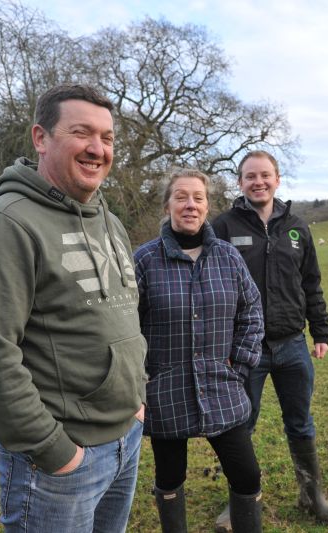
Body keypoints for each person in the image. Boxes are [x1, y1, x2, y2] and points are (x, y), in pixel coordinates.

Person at [0, 84, 148, 533]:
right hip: (60, 465)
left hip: (125, 440)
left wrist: (135, 403)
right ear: (41, 138)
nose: (98, 149)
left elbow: (122, 319)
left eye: (108, 137)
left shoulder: (110, 220)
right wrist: (56, 451)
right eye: (82, 133)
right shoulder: (6, 225)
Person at [211, 151, 328, 529]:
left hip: (292, 346)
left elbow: (311, 284)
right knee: (241, 427)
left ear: (277, 179)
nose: (258, 182)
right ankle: (238, 502)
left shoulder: (297, 228)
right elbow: (211, 288)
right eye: (250, 176)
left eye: (265, 175)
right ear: (239, 182)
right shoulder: (222, 227)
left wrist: (321, 331)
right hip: (244, 349)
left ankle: (311, 496)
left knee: (300, 424)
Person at [134, 169, 265, 533]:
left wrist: (239, 365)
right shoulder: (144, 260)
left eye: (198, 198)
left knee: (246, 474)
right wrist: (141, 379)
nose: (190, 205)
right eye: (181, 197)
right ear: (167, 205)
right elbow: (125, 327)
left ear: (207, 206)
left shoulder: (227, 257)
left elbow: (252, 312)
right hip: (166, 391)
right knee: (170, 476)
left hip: (223, 385)